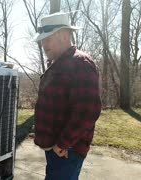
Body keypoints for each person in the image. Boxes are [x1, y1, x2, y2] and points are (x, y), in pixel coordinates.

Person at [33, 12, 102, 180]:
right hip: (58, 149)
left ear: (63, 36)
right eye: (42, 39)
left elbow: (87, 112)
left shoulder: (80, 64)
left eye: (47, 38)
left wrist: (63, 144)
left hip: (67, 151)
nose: (43, 44)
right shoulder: (59, 63)